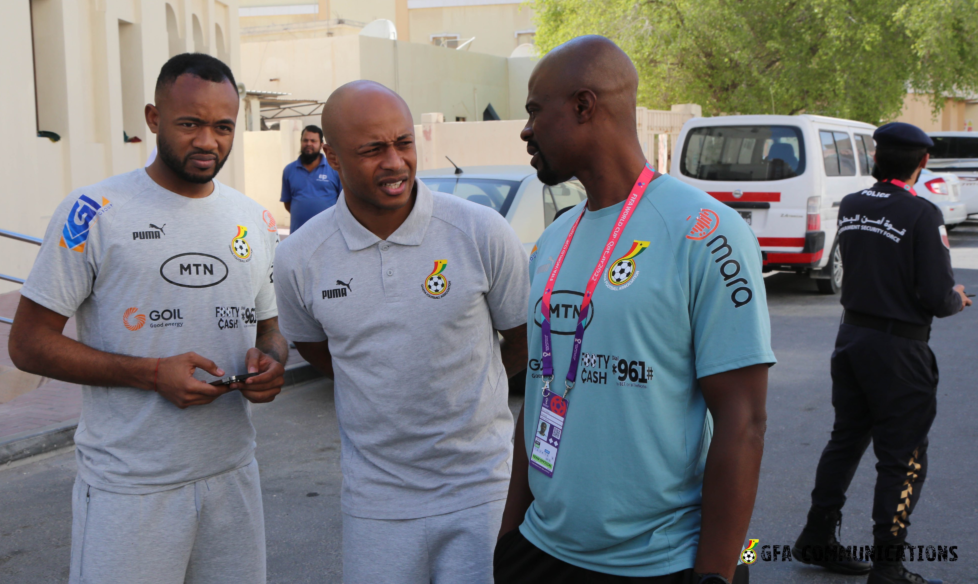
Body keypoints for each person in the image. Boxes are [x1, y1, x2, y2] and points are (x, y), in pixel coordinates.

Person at [496, 35, 774, 584]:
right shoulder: (554, 240)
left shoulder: (708, 231)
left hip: (661, 564)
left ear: (583, 106)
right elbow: (541, 389)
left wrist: (716, 574)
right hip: (540, 552)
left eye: (534, 112)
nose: (525, 130)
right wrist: (509, 538)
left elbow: (743, 423)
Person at [8, 53, 288, 584]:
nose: (208, 141)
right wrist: (151, 373)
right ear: (153, 118)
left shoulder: (252, 218)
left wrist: (270, 363)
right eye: (190, 123)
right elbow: (27, 345)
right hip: (129, 488)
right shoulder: (93, 212)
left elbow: (270, 328)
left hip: (232, 477)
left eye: (223, 127)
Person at [273, 80, 530, 584]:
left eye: (403, 143)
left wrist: (466, 386)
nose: (394, 162)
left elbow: (522, 339)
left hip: (480, 490)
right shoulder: (299, 257)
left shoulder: (481, 233)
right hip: (376, 501)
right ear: (333, 158)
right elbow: (316, 349)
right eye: (372, 150)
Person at [793, 122, 969, 584]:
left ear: (876, 158)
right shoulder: (922, 214)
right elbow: (935, 296)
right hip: (899, 350)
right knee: (903, 457)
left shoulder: (852, 204)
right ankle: (888, 565)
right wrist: (957, 296)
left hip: (852, 339)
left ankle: (817, 535)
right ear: (923, 162)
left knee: (846, 439)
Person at [280, 124, 342, 231]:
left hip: (328, 234)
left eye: (313, 141)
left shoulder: (334, 169)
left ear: (321, 145)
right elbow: (288, 203)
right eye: (305, 140)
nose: (308, 144)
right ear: (301, 142)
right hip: (298, 234)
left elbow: (343, 201)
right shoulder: (289, 170)